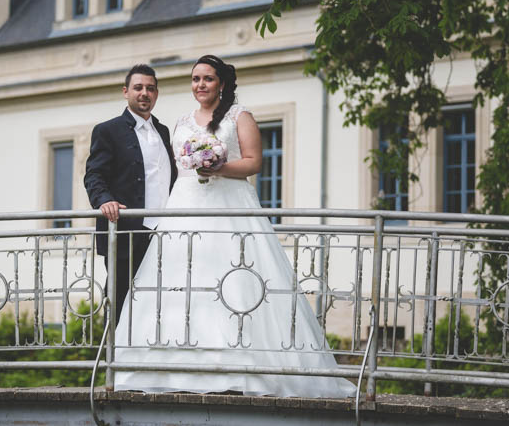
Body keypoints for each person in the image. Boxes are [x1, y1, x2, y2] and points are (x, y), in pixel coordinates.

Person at [113, 55, 356, 398]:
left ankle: (242, 366)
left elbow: (254, 162)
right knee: (179, 280)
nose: (200, 85)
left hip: (229, 206)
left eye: (208, 79)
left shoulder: (239, 116)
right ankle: (166, 366)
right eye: (196, 79)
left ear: (221, 83)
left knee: (234, 277)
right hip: (184, 207)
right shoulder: (180, 123)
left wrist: (218, 167)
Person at [84, 64, 176, 318]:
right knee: (121, 302)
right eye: (138, 88)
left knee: (159, 304)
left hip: (163, 235)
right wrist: (105, 200)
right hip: (125, 232)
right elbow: (94, 174)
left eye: (150, 88)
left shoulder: (164, 132)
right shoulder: (107, 130)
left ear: (156, 94)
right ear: (126, 92)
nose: (144, 93)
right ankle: (112, 357)